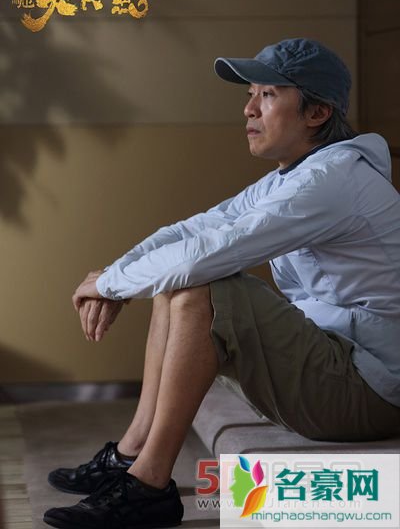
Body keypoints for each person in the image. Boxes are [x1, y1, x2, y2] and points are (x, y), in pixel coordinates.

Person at [44, 38, 400, 529]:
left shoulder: (333, 180)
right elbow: (191, 231)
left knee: (204, 285)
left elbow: (210, 253)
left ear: (317, 113)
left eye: (268, 95)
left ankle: (149, 485)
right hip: (337, 364)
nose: (249, 109)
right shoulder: (290, 178)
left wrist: (112, 285)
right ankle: (132, 453)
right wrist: (113, 273)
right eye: (251, 94)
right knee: (177, 280)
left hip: (372, 392)